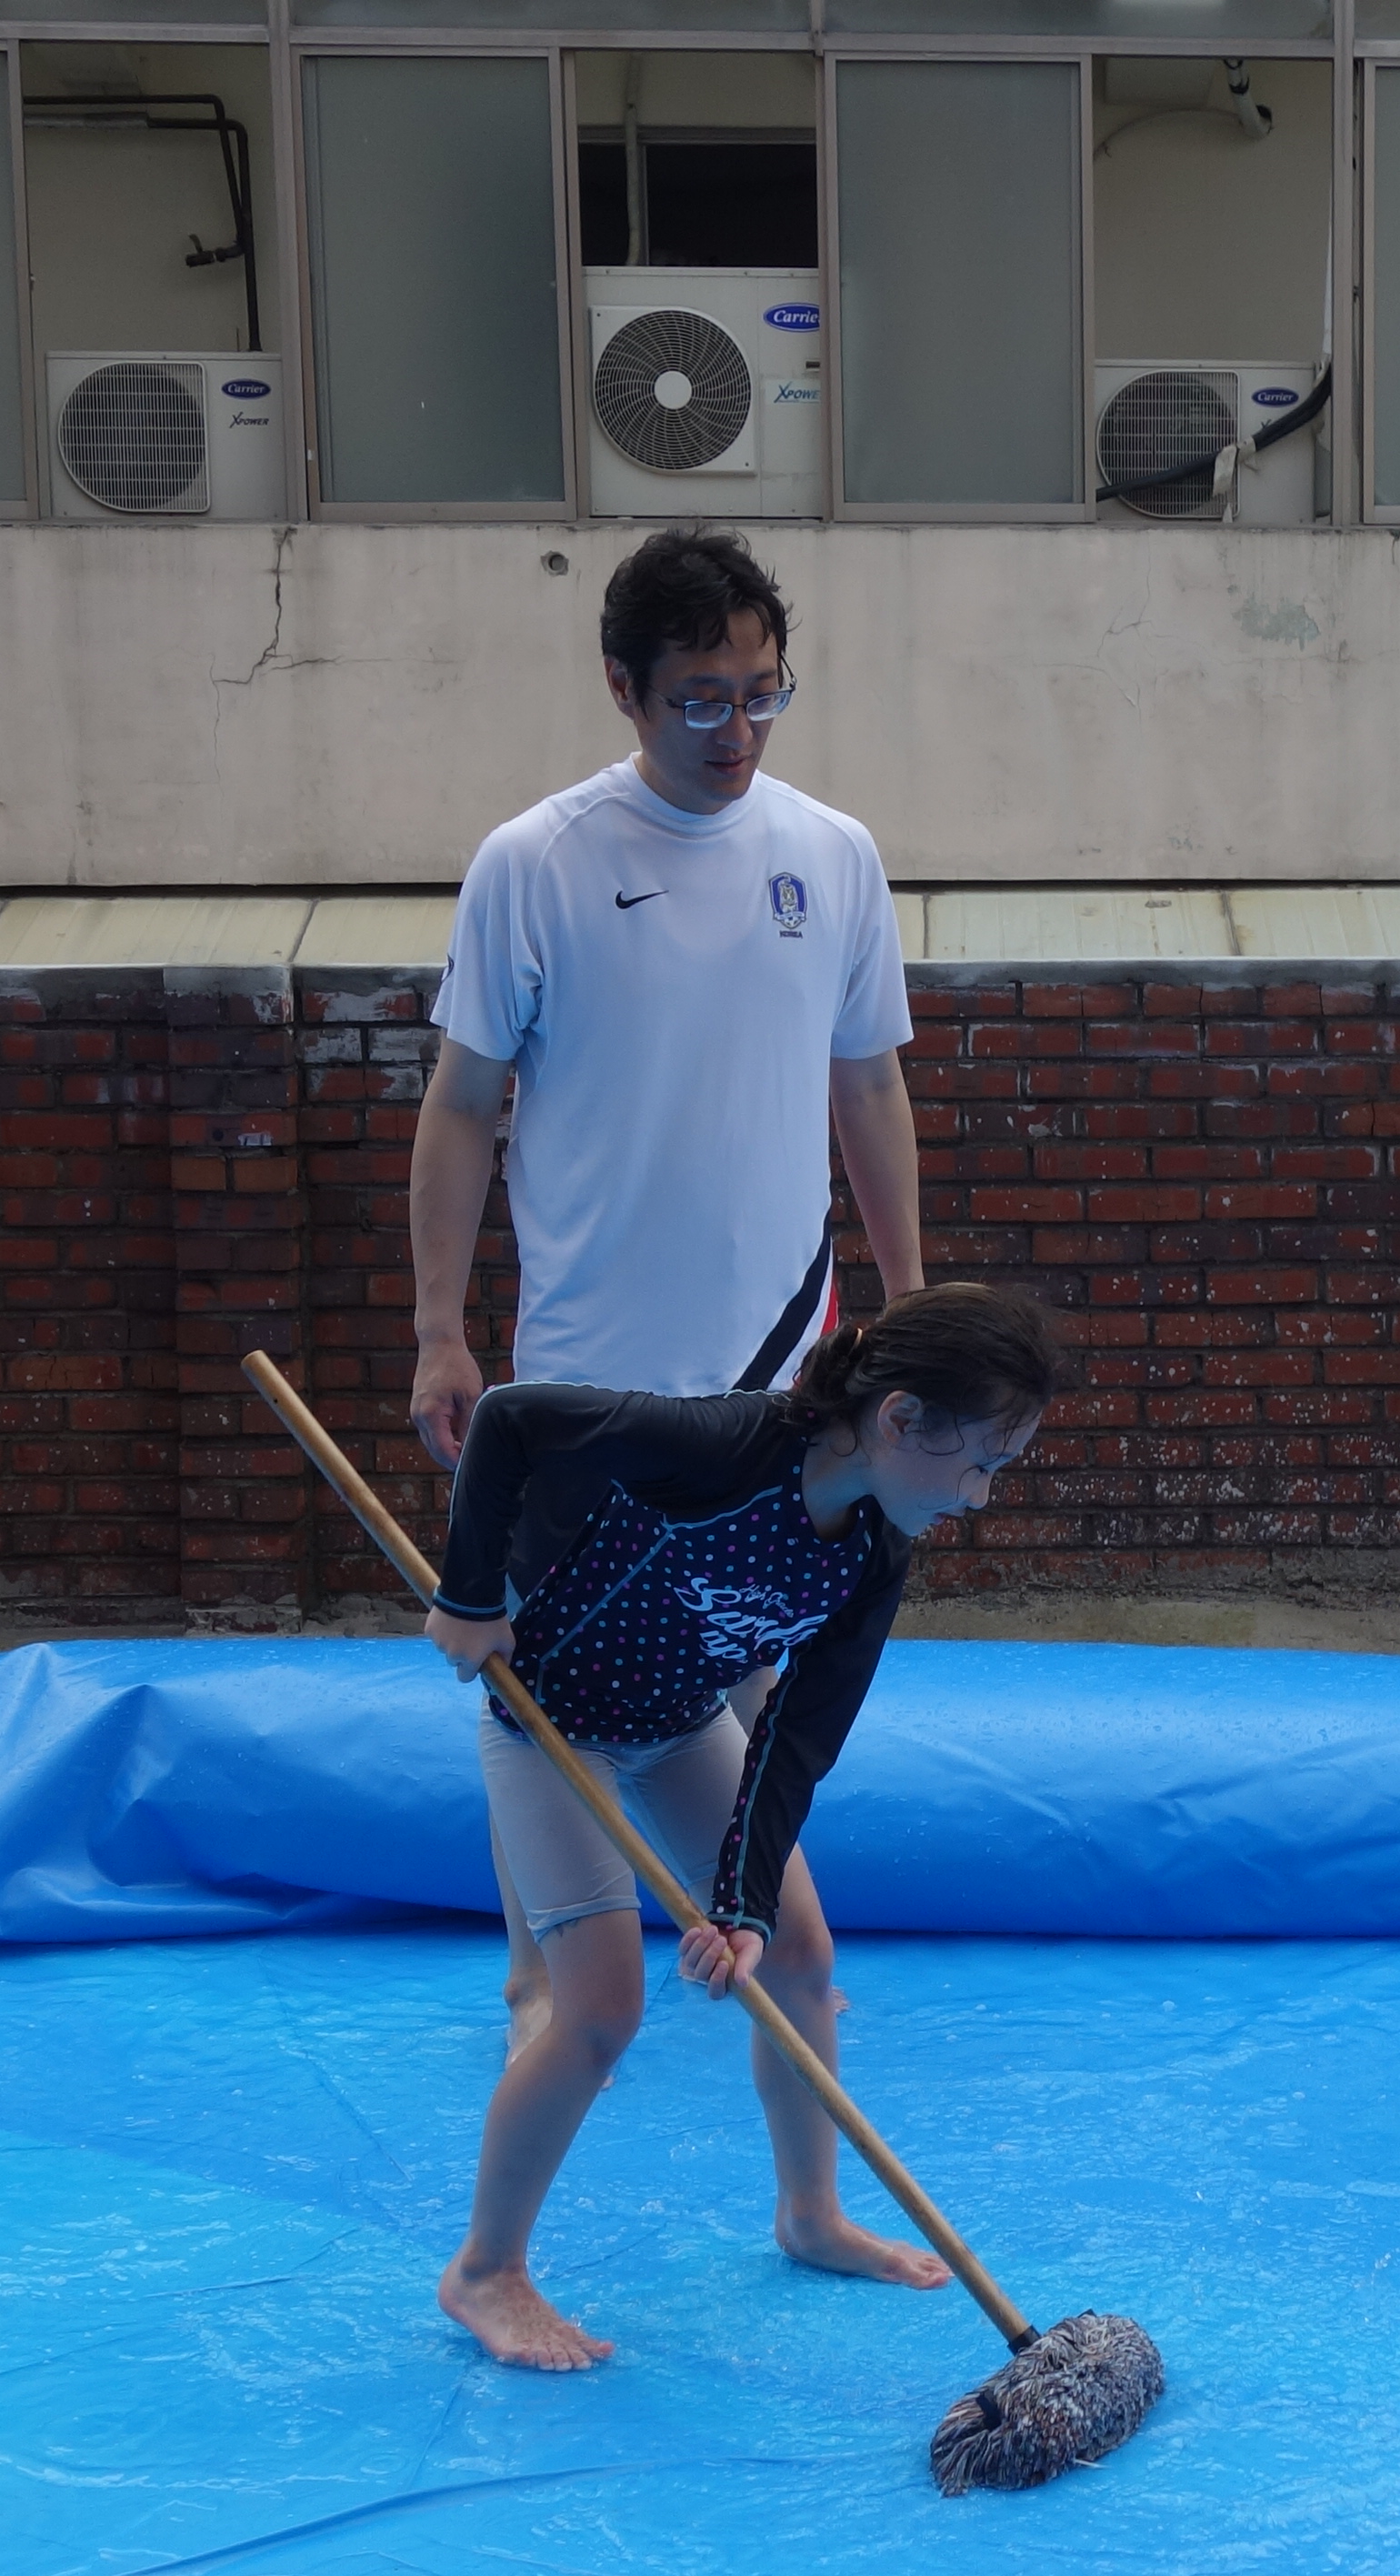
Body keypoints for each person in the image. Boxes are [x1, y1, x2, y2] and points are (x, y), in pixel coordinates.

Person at [410, 526, 925, 2060]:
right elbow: (461, 1105)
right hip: (590, 1376)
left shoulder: (832, 855)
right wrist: (438, 1328)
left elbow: (869, 1085)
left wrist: (908, 1302)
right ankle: (546, 1971)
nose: (736, 730)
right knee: (555, 1688)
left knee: (745, 1663)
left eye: (763, 694)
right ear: (622, 688)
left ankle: (761, 1944)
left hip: (777, 1362)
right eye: (700, 698)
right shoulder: (537, 864)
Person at [422, 1282, 1073, 2373]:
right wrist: (472, 1590)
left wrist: (741, 1906)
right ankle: (486, 2267)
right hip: (549, 1722)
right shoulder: (728, 1445)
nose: (980, 1497)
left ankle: (811, 2214)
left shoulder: (874, 1549)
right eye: (980, 1464)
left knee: (800, 1952)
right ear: (902, 1417)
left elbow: (796, 1739)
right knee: (599, 2008)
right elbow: (512, 1417)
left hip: (682, 1725)